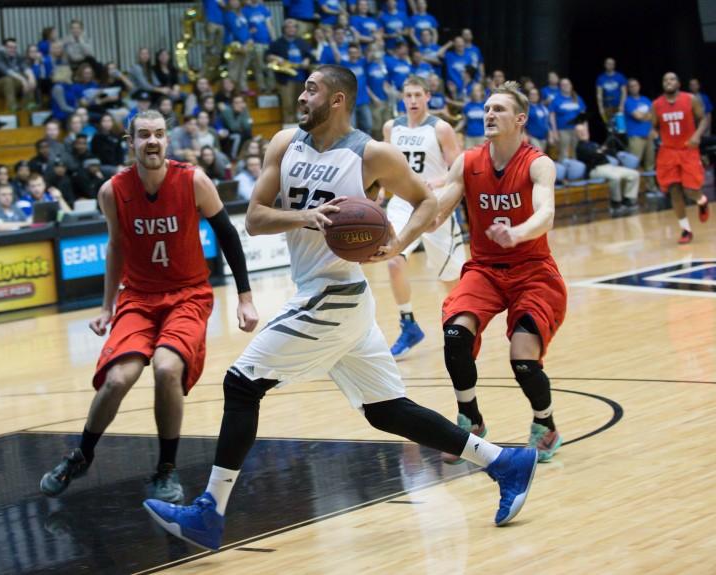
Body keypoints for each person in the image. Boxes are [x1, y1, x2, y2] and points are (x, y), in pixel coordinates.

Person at [142, 67, 539, 550]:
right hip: (319, 292)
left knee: (241, 383)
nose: (302, 96)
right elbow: (255, 218)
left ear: (337, 100)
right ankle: (505, 463)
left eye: (312, 89)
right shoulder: (285, 143)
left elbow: (427, 200)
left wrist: (398, 246)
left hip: (335, 294)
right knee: (387, 411)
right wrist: (304, 216)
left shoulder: (371, 153)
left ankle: (209, 512)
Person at [39, 109, 260, 504]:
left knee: (165, 368)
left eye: (158, 134)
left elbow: (227, 233)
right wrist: (107, 307)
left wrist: (244, 296)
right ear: (131, 143)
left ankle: (166, 468)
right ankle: (82, 454)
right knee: (117, 380)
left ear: (167, 139)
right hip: (138, 298)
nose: (152, 141)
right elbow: (117, 248)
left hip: (188, 294)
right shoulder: (113, 191)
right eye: (144, 135)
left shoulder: (193, 180)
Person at [430, 81, 566, 467]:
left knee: (522, 358)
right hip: (485, 270)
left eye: (499, 109)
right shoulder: (469, 161)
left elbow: (546, 214)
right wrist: (405, 232)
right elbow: (439, 208)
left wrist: (517, 233)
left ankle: (546, 425)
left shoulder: (538, 163)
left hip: (533, 271)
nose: (489, 114)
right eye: (487, 108)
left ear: (520, 119)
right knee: (455, 333)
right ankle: (470, 421)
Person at [382, 75, 464, 359]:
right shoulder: (391, 127)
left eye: (418, 95)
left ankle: (460, 327)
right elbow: (386, 165)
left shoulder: (441, 128)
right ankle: (408, 324)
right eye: (408, 95)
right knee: (393, 259)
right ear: (402, 98)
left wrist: (439, 182)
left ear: (428, 96)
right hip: (403, 202)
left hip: (435, 202)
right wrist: (380, 188)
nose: (413, 100)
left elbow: (458, 168)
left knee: (450, 278)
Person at [652, 72, 710, 244]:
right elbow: (654, 126)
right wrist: (655, 136)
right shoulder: (656, 104)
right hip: (668, 151)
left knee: (691, 190)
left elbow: (703, 119)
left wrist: (697, 136)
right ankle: (686, 230)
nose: (668, 82)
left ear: (678, 83)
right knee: (674, 190)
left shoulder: (690, 99)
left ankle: (702, 201)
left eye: (671, 79)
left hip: (688, 149)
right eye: (665, 80)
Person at [575, 122, 639, 216]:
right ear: (576, 134)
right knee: (615, 177)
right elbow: (594, 155)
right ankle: (616, 203)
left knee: (634, 174)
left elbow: (607, 152)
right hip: (595, 170)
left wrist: (603, 150)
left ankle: (628, 200)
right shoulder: (580, 147)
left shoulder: (593, 144)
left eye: (584, 131)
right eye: (580, 132)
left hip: (608, 167)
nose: (583, 133)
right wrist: (601, 150)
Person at [0, 38, 36, 112]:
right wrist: (23, 80)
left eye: (14, 47)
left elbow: (25, 67)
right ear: (4, 48)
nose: (12, 49)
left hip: (13, 85)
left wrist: (32, 77)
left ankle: (28, 105)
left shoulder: (17, 56)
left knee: (28, 77)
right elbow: (6, 71)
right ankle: (12, 106)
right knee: (8, 79)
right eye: (10, 47)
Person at [624, 78, 655, 189]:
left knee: (650, 164)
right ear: (628, 89)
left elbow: (654, 115)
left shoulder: (646, 99)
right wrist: (647, 115)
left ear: (639, 86)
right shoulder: (628, 101)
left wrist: (646, 118)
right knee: (634, 164)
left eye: (635, 85)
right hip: (635, 136)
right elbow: (638, 116)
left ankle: (651, 187)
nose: (634, 88)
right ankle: (635, 191)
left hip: (648, 135)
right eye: (631, 86)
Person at [548, 78, 585, 160]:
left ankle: (575, 171)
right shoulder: (556, 99)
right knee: (563, 153)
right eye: (563, 85)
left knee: (575, 152)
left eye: (568, 84)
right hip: (563, 131)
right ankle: (564, 171)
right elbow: (552, 117)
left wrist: (585, 130)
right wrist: (554, 131)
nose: (566, 86)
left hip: (576, 130)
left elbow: (583, 115)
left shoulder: (577, 98)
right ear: (560, 87)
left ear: (571, 85)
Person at [595, 57, 627, 126]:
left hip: (618, 106)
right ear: (605, 65)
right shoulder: (600, 78)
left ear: (614, 65)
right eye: (608, 63)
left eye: (611, 64)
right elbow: (599, 94)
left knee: (620, 128)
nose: (610, 65)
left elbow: (624, 92)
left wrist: (622, 105)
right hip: (607, 107)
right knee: (609, 127)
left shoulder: (620, 77)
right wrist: (600, 108)